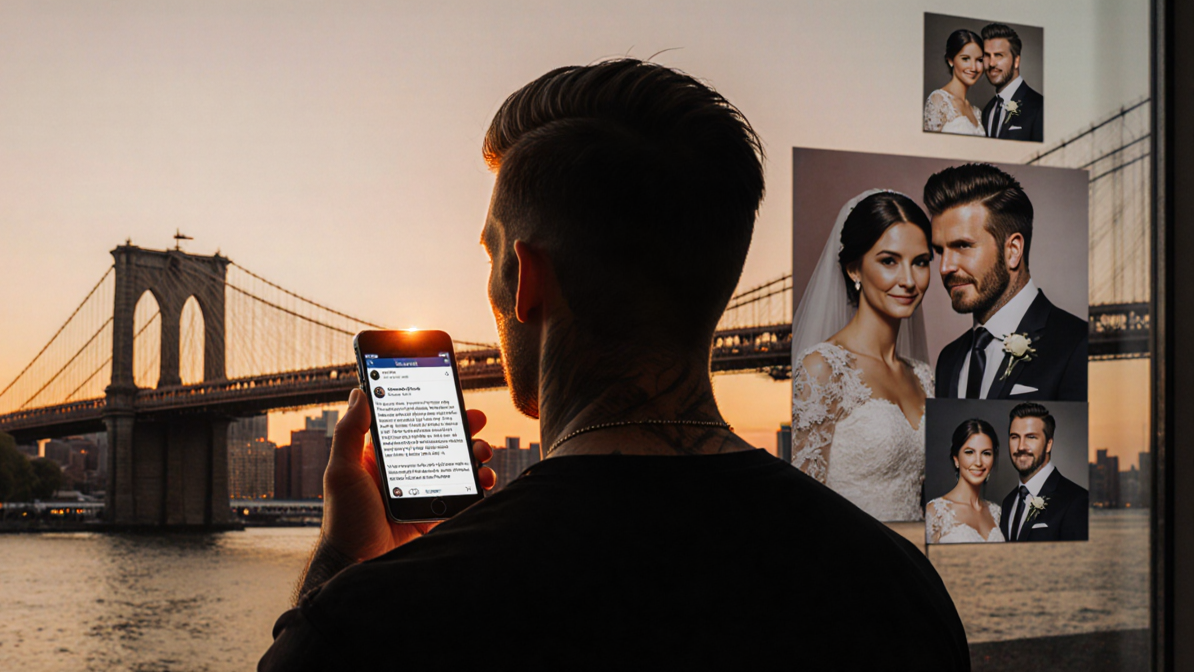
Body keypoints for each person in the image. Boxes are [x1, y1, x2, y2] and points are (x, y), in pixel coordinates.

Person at [259, 59, 970, 671]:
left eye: (491, 255)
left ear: (524, 278)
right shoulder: (900, 589)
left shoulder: (370, 628)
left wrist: (344, 569)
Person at [790, 190, 935, 522]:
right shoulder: (822, 368)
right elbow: (803, 507)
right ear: (854, 269)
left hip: (912, 563)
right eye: (889, 261)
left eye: (921, 262)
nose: (909, 281)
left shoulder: (925, 377)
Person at [925, 163, 1088, 401]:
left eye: (962, 246)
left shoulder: (1078, 345)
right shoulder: (949, 359)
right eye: (940, 250)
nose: (944, 267)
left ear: (1012, 250)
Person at [999, 402, 1089, 542]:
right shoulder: (1008, 502)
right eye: (1015, 437)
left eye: (1031, 437)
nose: (1021, 446)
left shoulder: (1077, 500)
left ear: (1048, 444)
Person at [926, 418, 1005, 544]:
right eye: (969, 452)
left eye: (986, 453)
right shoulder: (936, 512)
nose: (978, 462)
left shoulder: (997, 513)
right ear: (956, 459)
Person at [980, 23, 1043, 142]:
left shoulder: (1040, 108)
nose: (992, 63)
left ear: (1016, 61)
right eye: (987, 56)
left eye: (999, 55)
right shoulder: (987, 110)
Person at [923, 29, 987, 136]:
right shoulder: (938, 100)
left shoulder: (977, 112)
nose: (973, 67)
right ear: (950, 60)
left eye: (979, 60)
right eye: (965, 59)